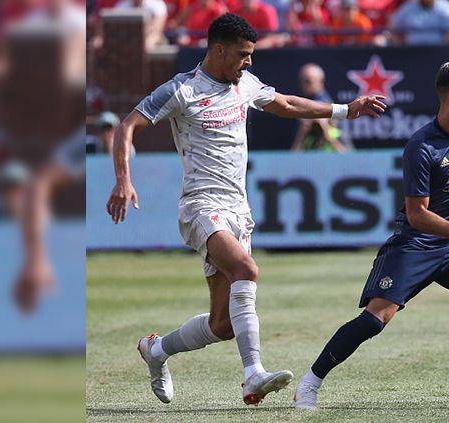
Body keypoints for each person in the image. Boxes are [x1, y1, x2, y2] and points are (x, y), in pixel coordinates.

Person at [105, 13, 386, 405]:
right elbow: (128, 125)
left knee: (223, 326)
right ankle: (253, 374)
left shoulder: (245, 84)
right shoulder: (182, 89)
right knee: (246, 269)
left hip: (239, 209)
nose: (249, 62)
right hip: (201, 205)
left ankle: (156, 350)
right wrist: (123, 178)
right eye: (243, 54)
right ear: (218, 50)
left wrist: (344, 110)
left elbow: (285, 103)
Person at [294, 60, 449, 410]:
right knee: (375, 320)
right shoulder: (421, 146)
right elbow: (418, 215)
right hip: (415, 244)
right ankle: (309, 384)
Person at [290, 63, 349, 152]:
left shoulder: (337, 135)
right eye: (302, 81)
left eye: (308, 81)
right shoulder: (307, 139)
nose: (304, 85)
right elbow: (292, 159)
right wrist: (302, 133)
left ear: (320, 82)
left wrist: (327, 132)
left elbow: (349, 159)